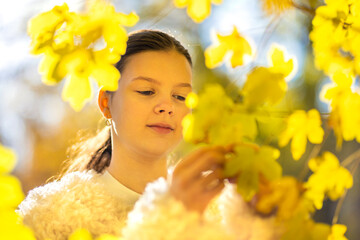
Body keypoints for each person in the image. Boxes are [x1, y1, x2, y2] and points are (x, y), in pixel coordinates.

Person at [17, 30, 282, 240]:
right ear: (106, 103)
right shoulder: (51, 215)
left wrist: (263, 223)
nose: (167, 106)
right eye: (146, 91)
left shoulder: (219, 213)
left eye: (180, 96)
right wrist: (171, 220)